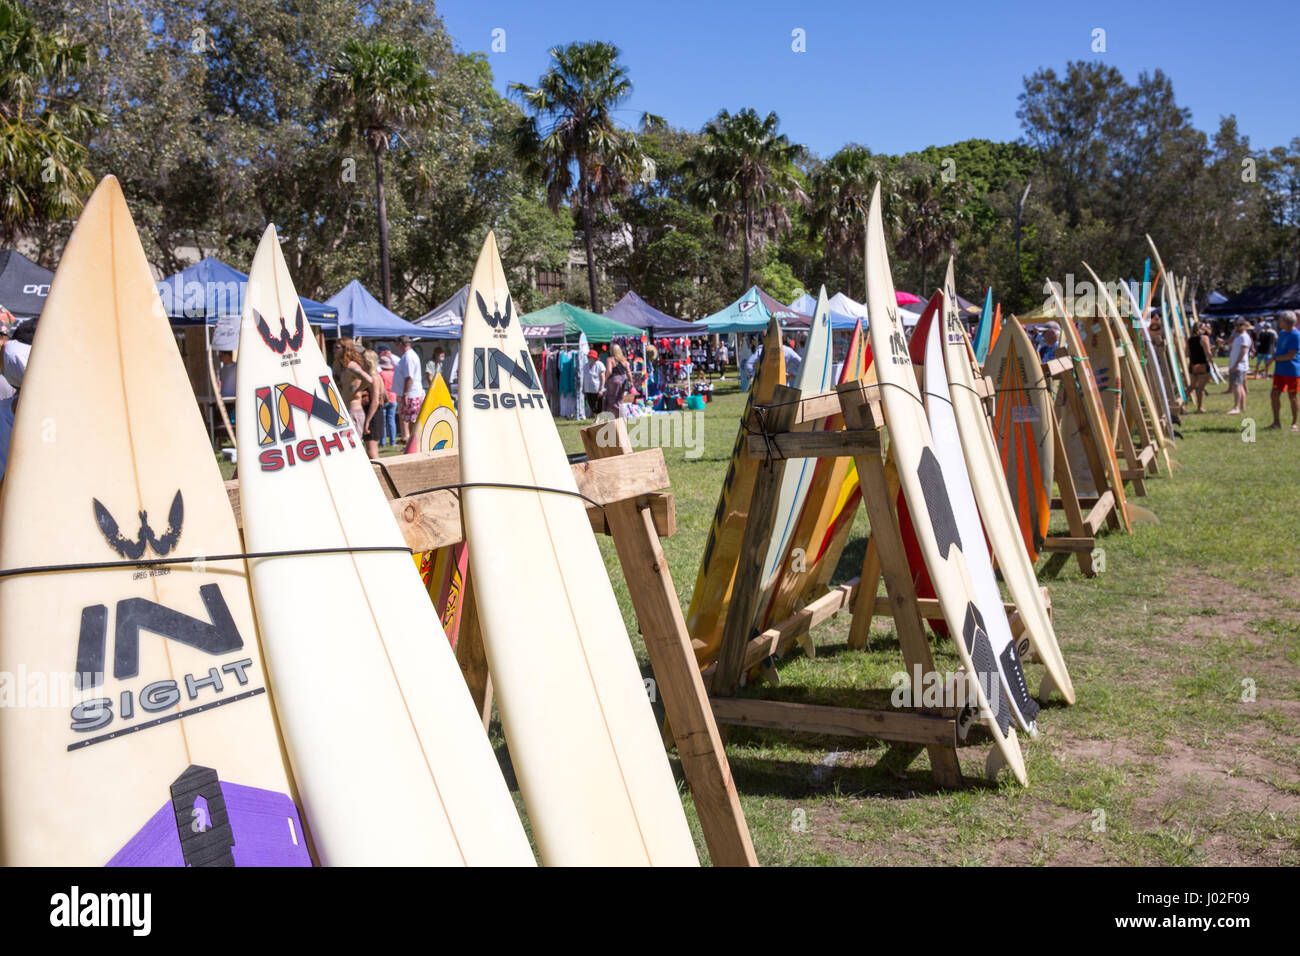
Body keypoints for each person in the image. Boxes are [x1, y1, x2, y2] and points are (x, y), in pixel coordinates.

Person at [1267, 311, 1299, 432]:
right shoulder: (1282, 334)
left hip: (1291, 371)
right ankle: (1276, 423)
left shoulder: (1295, 335)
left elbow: (1291, 355)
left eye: (1280, 320)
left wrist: (1275, 358)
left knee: (1292, 396)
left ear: (1286, 321)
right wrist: (1271, 359)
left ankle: (1295, 423)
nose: (1278, 322)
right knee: (1274, 394)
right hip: (1280, 370)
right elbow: (1279, 351)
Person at [391, 334, 425, 444]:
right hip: (410, 393)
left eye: (397, 344)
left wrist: (405, 393)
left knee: (411, 420)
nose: (397, 347)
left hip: (411, 394)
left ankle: (413, 443)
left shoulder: (409, 357)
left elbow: (409, 377)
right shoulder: (408, 356)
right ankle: (410, 442)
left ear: (401, 344)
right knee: (408, 419)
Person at [1226, 320, 1252, 415]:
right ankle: (1242, 406)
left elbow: (1243, 351)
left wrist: (1236, 365)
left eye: (1238, 325)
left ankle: (1236, 407)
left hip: (1239, 365)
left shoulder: (1244, 337)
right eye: (1235, 325)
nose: (1236, 327)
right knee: (1240, 386)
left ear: (1244, 326)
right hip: (1238, 364)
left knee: (1236, 386)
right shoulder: (1239, 336)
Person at [1186, 323, 1213, 412]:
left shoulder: (1189, 340)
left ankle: (1181, 405)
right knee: (1201, 388)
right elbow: (1208, 352)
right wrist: (1211, 361)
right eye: (1204, 327)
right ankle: (1200, 407)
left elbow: (1187, 354)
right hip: (1203, 364)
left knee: (1191, 387)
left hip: (1193, 365)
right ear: (1200, 329)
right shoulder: (1204, 338)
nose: (1206, 328)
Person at [376, 344, 398, 448]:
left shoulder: (380, 374)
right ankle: (393, 442)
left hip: (383, 399)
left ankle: (382, 442)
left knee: (383, 422)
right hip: (393, 398)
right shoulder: (394, 374)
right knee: (392, 421)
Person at [603, 343, 632, 418]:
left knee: (612, 400)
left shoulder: (610, 359)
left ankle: (619, 417)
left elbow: (609, 371)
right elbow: (629, 372)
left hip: (614, 380)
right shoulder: (624, 360)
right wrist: (631, 381)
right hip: (623, 380)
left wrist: (605, 379)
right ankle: (619, 417)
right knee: (620, 400)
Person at [581, 349, 606, 419]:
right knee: (591, 404)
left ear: (594, 358)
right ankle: (596, 418)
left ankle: (598, 419)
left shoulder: (600, 365)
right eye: (588, 357)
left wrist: (601, 388)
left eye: (590, 357)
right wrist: (583, 388)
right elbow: (584, 378)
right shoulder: (585, 366)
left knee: (598, 405)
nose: (589, 358)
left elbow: (603, 377)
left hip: (597, 389)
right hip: (588, 389)